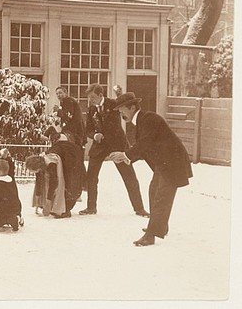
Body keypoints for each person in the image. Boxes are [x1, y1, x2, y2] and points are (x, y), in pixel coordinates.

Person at [109, 93, 193, 247]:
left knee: (161, 197)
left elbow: (145, 143)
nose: (121, 114)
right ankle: (160, 226)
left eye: (122, 110)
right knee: (154, 191)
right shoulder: (141, 122)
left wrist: (125, 154)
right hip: (165, 163)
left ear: (132, 107)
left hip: (172, 163)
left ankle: (150, 235)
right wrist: (127, 157)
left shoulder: (148, 119)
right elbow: (145, 148)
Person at [79, 84, 149, 217]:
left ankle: (139, 209)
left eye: (93, 97)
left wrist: (119, 94)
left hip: (117, 145)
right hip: (99, 147)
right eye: (89, 98)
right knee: (91, 177)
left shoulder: (113, 104)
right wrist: (95, 135)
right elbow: (88, 129)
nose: (91, 100)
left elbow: (124, 104)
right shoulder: (91, 109)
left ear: (101, 95)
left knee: (129, 176)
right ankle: (91, 207)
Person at [43, 127, 85, 218]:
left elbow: (52, 159)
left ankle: (63, 210)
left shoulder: (57, 148)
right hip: (75, 174)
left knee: (65, 188)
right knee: (71, 188)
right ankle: (65, 209)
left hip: (65, 173)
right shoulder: (75, 148)